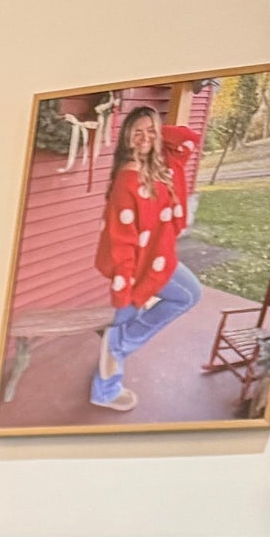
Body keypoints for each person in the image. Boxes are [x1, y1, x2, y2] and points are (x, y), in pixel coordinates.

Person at [91, 104, 204, 413]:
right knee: (188, 295)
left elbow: (188, 138)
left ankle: (108, 375)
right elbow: (122, 239)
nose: (144, 138)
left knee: (124, 323)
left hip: (158, 257)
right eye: (136, 133)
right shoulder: (129, 178)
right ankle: (115, 356)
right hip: (140, 266)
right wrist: (123, 284)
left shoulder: (158, 164)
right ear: (126, 138)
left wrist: (152, 129)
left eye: (150, 132)